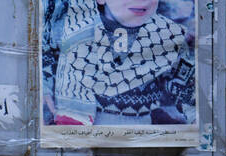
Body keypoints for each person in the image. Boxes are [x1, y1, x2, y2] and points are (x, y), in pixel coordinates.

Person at [41, 0, 195, 127]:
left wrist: (197, 121)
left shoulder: (166, 38)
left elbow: (188, 89)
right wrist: (45, 89)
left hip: (141, 146)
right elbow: (42, 61)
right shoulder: (73, 33)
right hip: (82, 144)